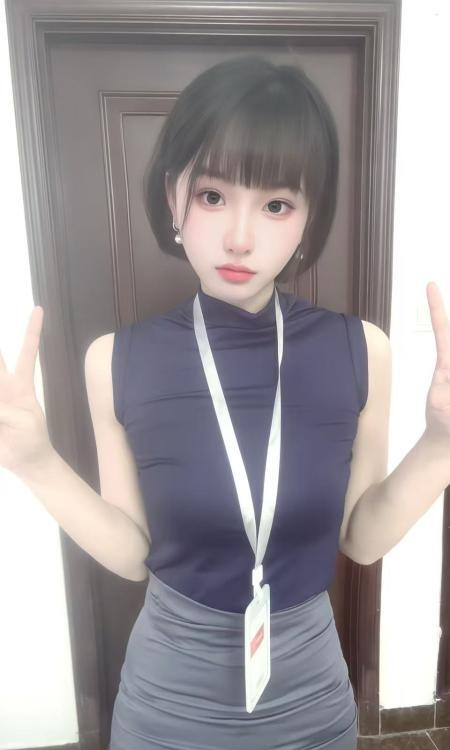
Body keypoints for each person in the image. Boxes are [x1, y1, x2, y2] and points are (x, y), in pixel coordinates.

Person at [1, 56, 449, 750]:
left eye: (277, 205)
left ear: (308, 220)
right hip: (168, 704)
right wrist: (36, 464)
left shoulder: (361, 350)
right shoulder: (115, 362)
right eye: (212, 195)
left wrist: (441, 447)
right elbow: (131, 552)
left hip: (312, 701)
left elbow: (361, 537)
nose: (241, 236)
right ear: (172, 197)